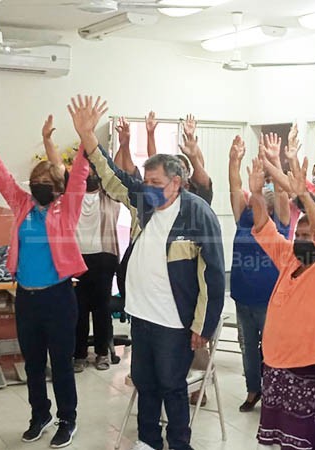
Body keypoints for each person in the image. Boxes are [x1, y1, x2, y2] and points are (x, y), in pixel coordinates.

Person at [81, 96, 225, 450]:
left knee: (172, 386)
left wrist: (203, 326)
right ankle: (148, 440)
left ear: (177, 182)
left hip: (175, 322)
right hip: (142, 316)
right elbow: (113, 178)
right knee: (145, 382)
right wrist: (88, 137)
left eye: (156, 182)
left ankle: (179, 443)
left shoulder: (197, 215)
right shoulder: (146, 202)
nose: (149, 187)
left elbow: (214, 276)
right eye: (147, 181)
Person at [0, 109, 94, 447]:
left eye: (45, 186)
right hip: (26, 298)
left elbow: (78, 176)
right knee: (32, 364)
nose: (38, 189)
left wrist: (86, 141)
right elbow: (1, 175)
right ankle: (39, 415)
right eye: (35, 184)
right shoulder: (22, 205)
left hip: (58, 298)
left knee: (60, 364)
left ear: (57, 189)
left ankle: (67, 419)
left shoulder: (67, 208)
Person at [250, 153, 315, 450]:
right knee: (283, 439)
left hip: (308, 367)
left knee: (309, 438)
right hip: (275, 364)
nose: (301, 238)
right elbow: (264, 228)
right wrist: (256, 193)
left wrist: (303, 193)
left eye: (307, 234)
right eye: (298, 233)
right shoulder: (290, 257)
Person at [35, 115, 122, 373]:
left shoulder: (109, 196)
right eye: (88, 171)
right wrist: (47, 139)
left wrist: (94, 136)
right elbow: (56, 165)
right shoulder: (70, 197)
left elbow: (115, 172)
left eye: (96, 171)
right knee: (79, 309)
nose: (92, 174)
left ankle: (103, 353)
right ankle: (80, 354)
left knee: (102, 308)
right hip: (76, 260)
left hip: (104, 258)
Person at [227, 135, 291, 412]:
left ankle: (275, 395)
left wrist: (274, 160)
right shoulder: (243, 217)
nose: (253, 204)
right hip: (242, 298)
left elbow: (282, 193)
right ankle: (253, 390)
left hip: (271, 300)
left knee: (273, 350)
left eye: (257, 201)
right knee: (247, 348)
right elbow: (234, 186)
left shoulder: (281, 222)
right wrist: (234, 160)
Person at [146, 111, 213, 204]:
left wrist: (193, 155)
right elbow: (154, 164)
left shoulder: (195, 188)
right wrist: (150, 134)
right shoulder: (166, 190)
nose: (179, 173)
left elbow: (201, 169)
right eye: (175, 170)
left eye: (182, 169)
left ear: (188, 172)